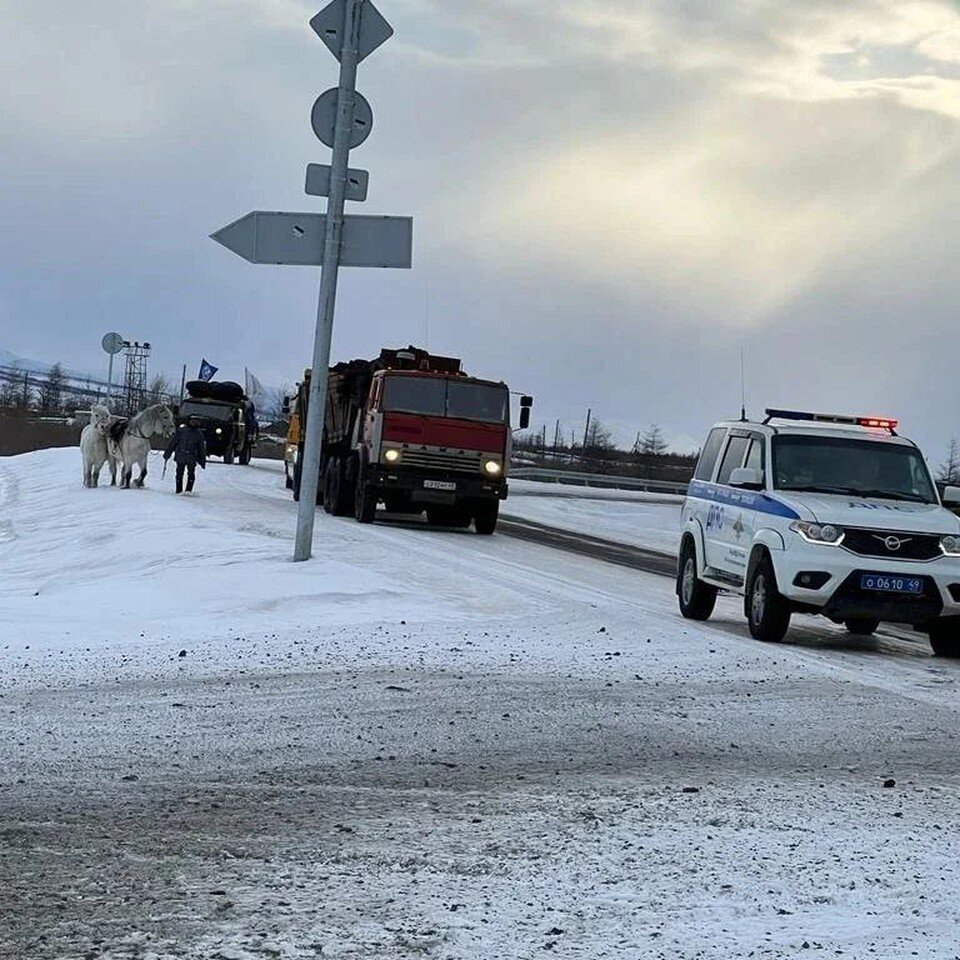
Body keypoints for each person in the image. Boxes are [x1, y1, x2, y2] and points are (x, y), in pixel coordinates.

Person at [164, 415, 207, 494]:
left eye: (195, 421)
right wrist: (167, 453)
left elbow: (201, 448)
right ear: (189, 421)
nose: (193, 423)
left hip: (192, 457)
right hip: (181, 455)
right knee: (179, 473)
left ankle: (188, 490)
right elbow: (173, 443)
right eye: (192, 421)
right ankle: (178, 490)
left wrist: (202, 460)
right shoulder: (182, 431)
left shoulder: (199, 433)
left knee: (191, 474)